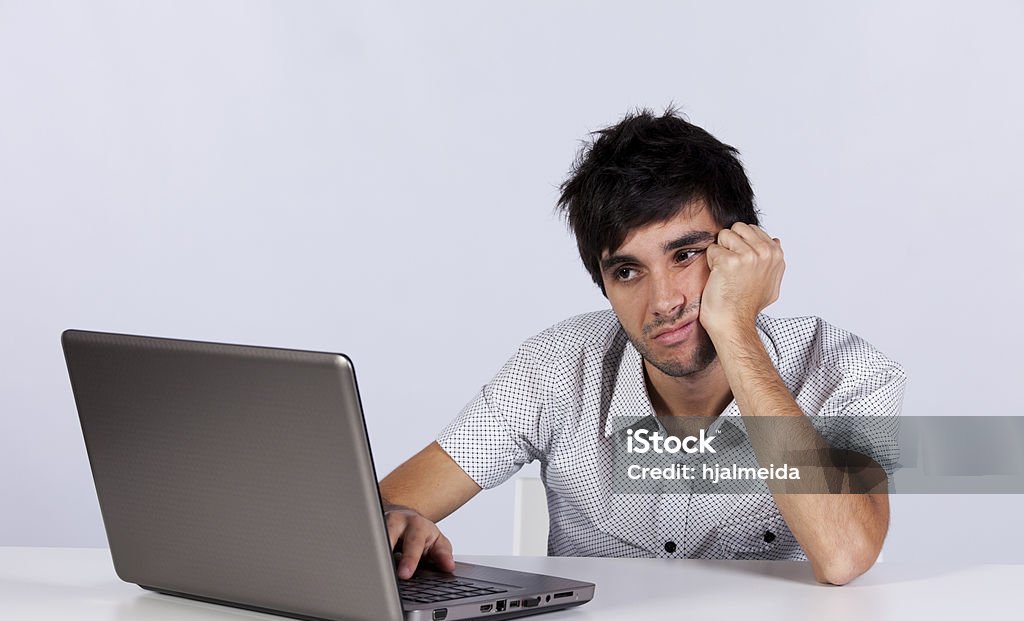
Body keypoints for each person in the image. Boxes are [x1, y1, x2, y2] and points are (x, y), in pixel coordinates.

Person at [379, 107, 906, 586]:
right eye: (628, 271)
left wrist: (736, 330)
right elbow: (376, 513)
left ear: (746, 250)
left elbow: (843, 555)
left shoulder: (847, 372)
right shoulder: (556, 368)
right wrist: (394, 525)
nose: (663, 301)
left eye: (686, 255)